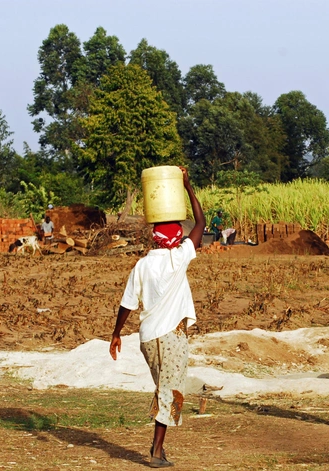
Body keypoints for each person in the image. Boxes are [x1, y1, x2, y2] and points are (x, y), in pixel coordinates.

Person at [109, 167, 205, 469]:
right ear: (177, 238)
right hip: (172, 337)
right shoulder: (179, 257)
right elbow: (200, 222)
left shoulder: (142, 265)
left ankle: (159, 448)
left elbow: (127, 304)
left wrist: (115, 334)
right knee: (170, 391)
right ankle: (156, 450)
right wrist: (188, 187)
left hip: (147, 338)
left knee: (166, 389)